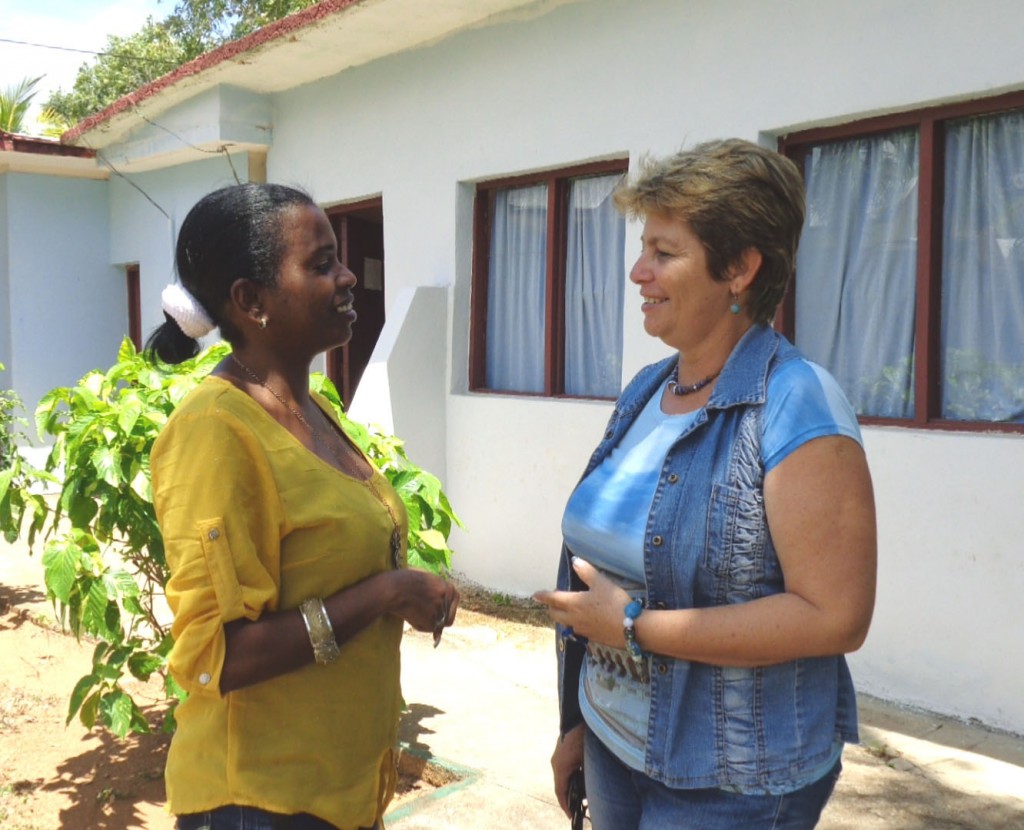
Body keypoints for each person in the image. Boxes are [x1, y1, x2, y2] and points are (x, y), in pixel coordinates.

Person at [533, 139, 877, 830]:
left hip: (733, 780)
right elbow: (591, 576)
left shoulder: (797, 403)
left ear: (740, 268)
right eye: (644, 249)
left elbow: (835, 615)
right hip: (613, 742)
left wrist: (634, 627)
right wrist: (579, 721)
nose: (638, 272)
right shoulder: (646, 392)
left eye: (664, 252)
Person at [147, 182, 459, 830]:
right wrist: (386, 592)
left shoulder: (310, 409)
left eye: (338, 257)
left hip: (335, 793)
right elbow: (218, 659)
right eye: (320, 264)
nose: (348, 276)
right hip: (257, 803)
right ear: (249, 301)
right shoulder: (215, 429)